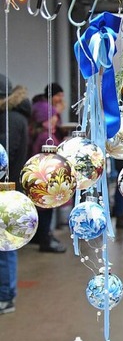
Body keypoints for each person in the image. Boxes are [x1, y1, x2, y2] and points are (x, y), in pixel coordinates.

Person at [0, 74, 32, 314]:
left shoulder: (9, 120)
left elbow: (5, 155)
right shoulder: (14, 117)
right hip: (10, 188)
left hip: (6, 190)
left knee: (4, 245)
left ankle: (5, 296)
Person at [28, 99, 66, 253]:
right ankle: (45, 239)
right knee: (45, 211)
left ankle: (45, 236)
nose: (56, 119)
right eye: (52, 117)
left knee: (44, 211)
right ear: (43, 121)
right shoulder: (45, 138)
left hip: (41, 180)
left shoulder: (42, 135)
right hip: (46, 181)